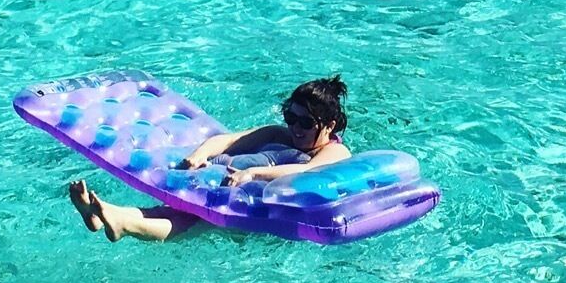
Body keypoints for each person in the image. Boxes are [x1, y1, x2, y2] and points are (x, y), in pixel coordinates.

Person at [66, 76, 352, 242]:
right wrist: (199, 156)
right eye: (291, 117)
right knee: (181, 208)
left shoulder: (336, 152)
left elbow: (310, 172)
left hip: (258, 203)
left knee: (198, 222)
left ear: (329, 126)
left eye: (306, 123)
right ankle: (107, 216)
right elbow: (228, 141)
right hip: (227, 180)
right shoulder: (278, 134)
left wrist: (253, 174)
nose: (295, 128)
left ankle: (120, 221)